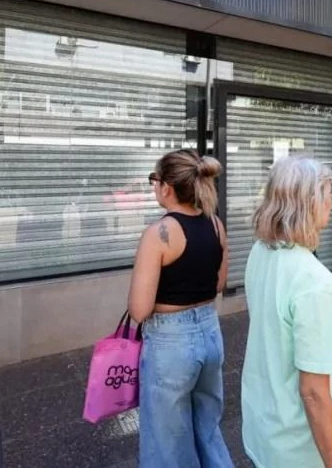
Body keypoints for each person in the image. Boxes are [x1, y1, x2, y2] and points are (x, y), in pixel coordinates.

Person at [242, 156, 332, 468]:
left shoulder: (260, 252)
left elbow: (278, 314)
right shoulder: (314, 284)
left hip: (263, 429)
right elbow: (315, 394)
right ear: (307, 202)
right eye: (326, 193)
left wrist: (330, 285)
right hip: (299, 450)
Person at [127, 149, 233, 468]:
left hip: (170, 341)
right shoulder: (216, 225)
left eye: (153, 180)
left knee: (167, 442)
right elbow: (217, 284)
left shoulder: (158, 234)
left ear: (167, 187)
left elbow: (139, 310)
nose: (153, 186)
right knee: (208, 429)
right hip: (210, 332)